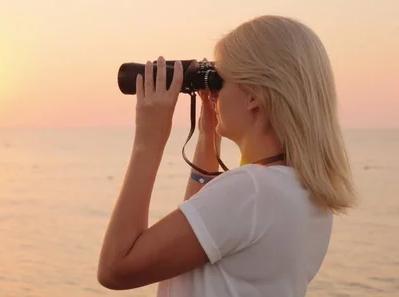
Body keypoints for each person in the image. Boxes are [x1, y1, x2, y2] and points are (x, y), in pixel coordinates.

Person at [96, 15, 357, 297]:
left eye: (221, 81)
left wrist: (148, 142)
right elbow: (199, 237)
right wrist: (209, 137)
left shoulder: (251, 190)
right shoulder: (303, 190)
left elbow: (116, 268)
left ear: (254, 95)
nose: (213, 95)